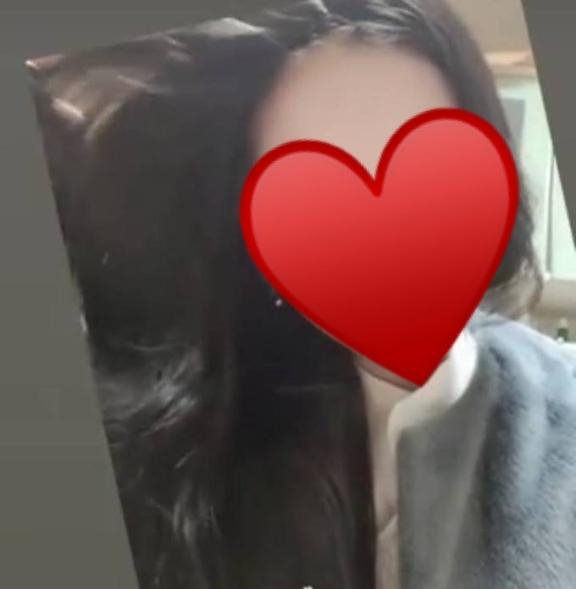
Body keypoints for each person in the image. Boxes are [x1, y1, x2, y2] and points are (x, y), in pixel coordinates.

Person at [28, 1, 576, 588]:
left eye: (435, 180)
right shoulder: (191, 447)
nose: (388, 245)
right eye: (318, 207)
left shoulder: (556, 417)